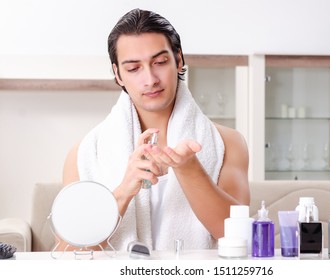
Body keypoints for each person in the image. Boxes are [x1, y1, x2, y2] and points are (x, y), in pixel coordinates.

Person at [62, 8, 249, 251]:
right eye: (133, 69)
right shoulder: (85, 153)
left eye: (160, 62)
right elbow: (68, 251)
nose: (150, 79)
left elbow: (239, 237)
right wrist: (123, 191)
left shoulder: (227, 142)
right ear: (118, 74)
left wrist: (189, 169)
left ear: (179, 60)